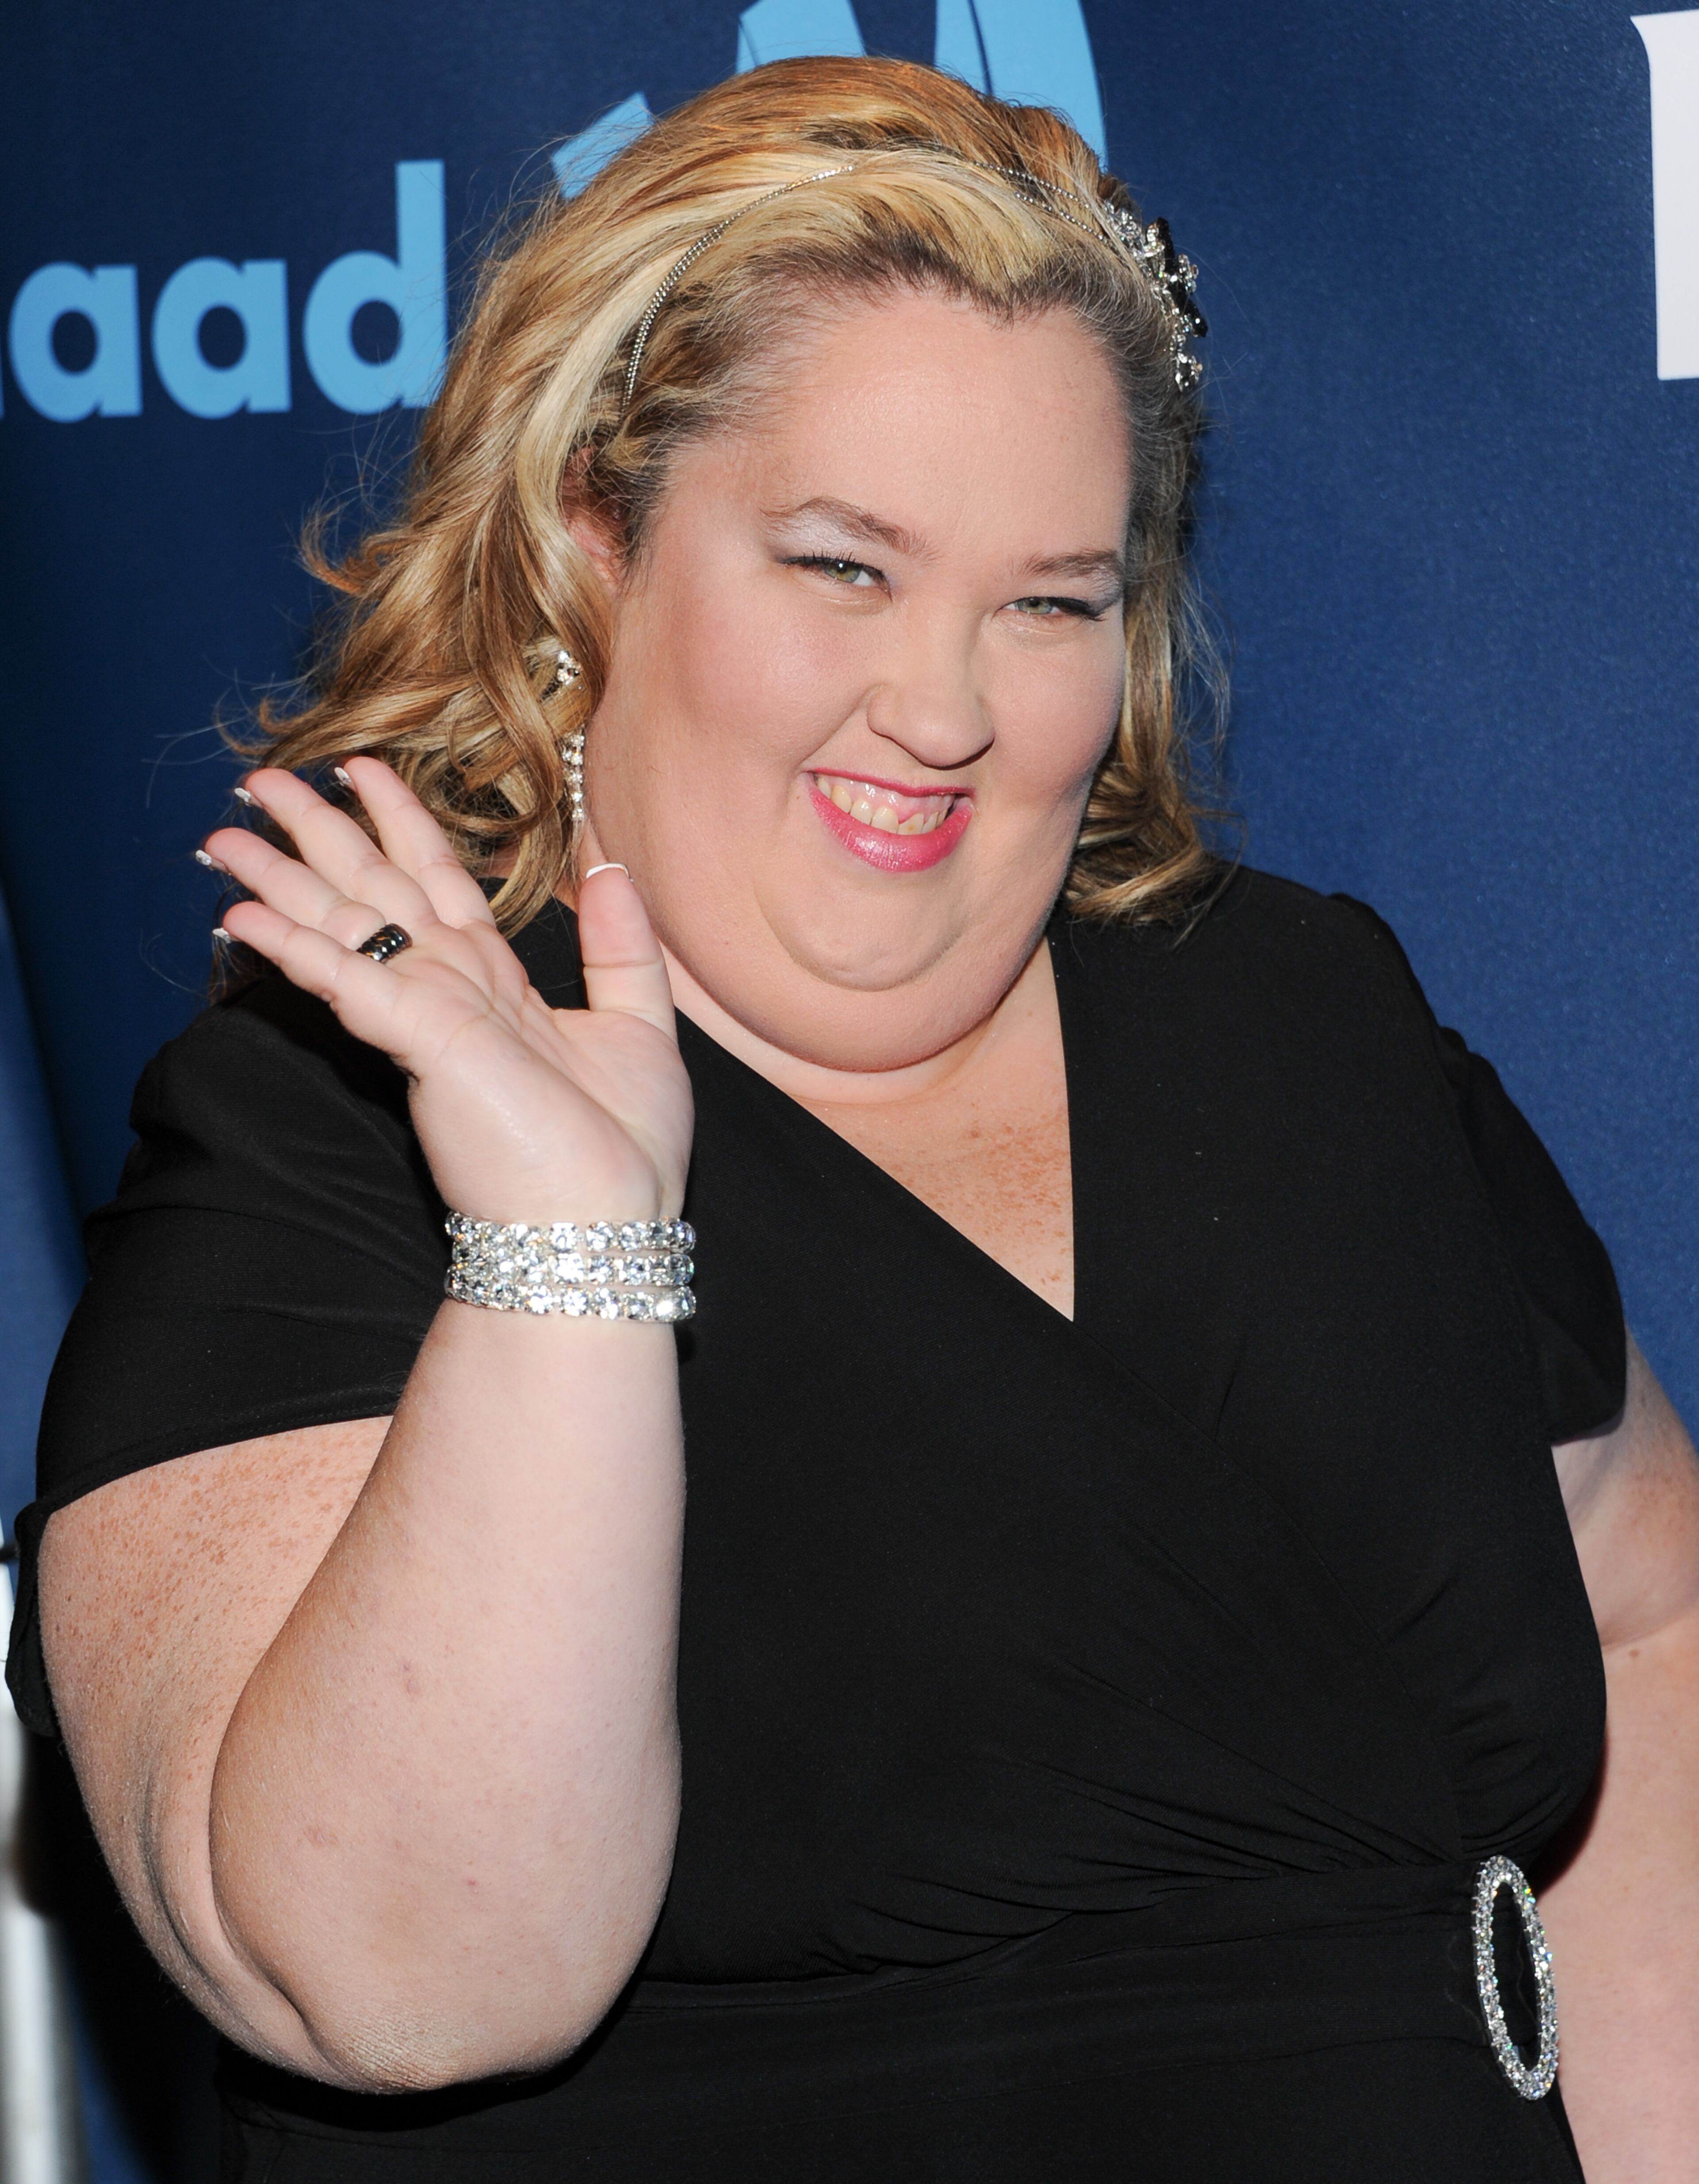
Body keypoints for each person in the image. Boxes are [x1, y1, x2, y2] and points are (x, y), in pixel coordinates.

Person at [12, 54, 1698, 2184]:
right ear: (589, 555)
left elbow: (1648, 1594)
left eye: (1053, 600)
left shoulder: (1302, 1017)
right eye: (843, 566)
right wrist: (570, 1249)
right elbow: (400, 1975)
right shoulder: (339, 1120)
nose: (949, 703)